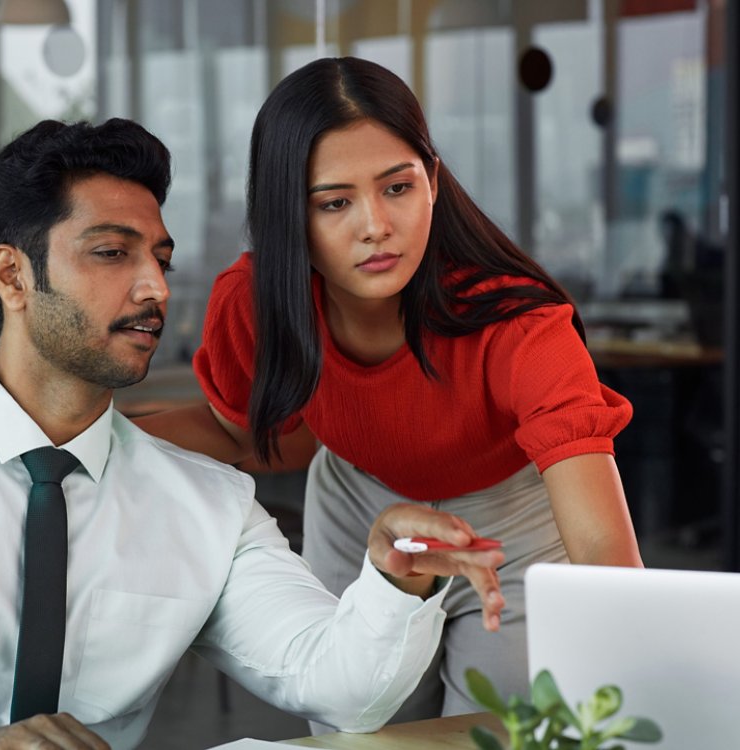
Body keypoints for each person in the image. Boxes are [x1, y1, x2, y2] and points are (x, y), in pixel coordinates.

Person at [0, 118, 506, 750]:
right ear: (11, 276)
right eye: (112, 253)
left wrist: (394, 582)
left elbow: (337, 686)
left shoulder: (206, 502)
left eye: (160, 259)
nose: (155, 288)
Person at [134, 56, 644, 727]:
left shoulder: (518, 325)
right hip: (357, 504)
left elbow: (607, 555)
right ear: (289, 213)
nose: (375, 225)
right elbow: (248, 436)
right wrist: (85, 432)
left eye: (397, 188)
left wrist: (639, 670)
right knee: (361, 730)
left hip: (512, 527)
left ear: (432, 180)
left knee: (511, 731)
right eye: (335, 202)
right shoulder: (257, 302)